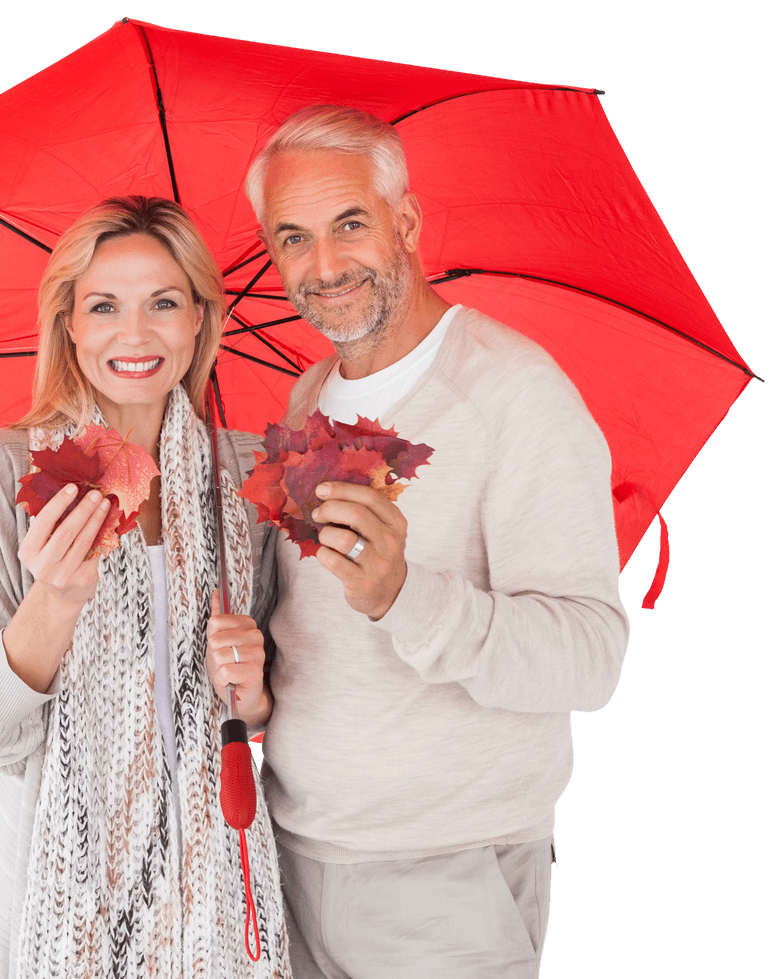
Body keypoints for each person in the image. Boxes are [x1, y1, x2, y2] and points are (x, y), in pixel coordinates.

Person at [230, 105, 631, 978]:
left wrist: (406, 597)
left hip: (446, 881)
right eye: (294, 238)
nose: (324, 266)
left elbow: (592, 658)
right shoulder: (306, 398)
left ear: (405, 222)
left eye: (350, 224)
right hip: (292, 857)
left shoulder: (513, 394)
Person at [0, 196, 291, 979]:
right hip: (54, 901)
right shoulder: (1, 472)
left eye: (162, 303)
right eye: (104, 306)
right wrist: (56, 600)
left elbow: (274, 714)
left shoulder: (246, 476)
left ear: (199, 319)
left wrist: (256, 693)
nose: (135, 334)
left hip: (220, 904)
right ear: (69, 324)